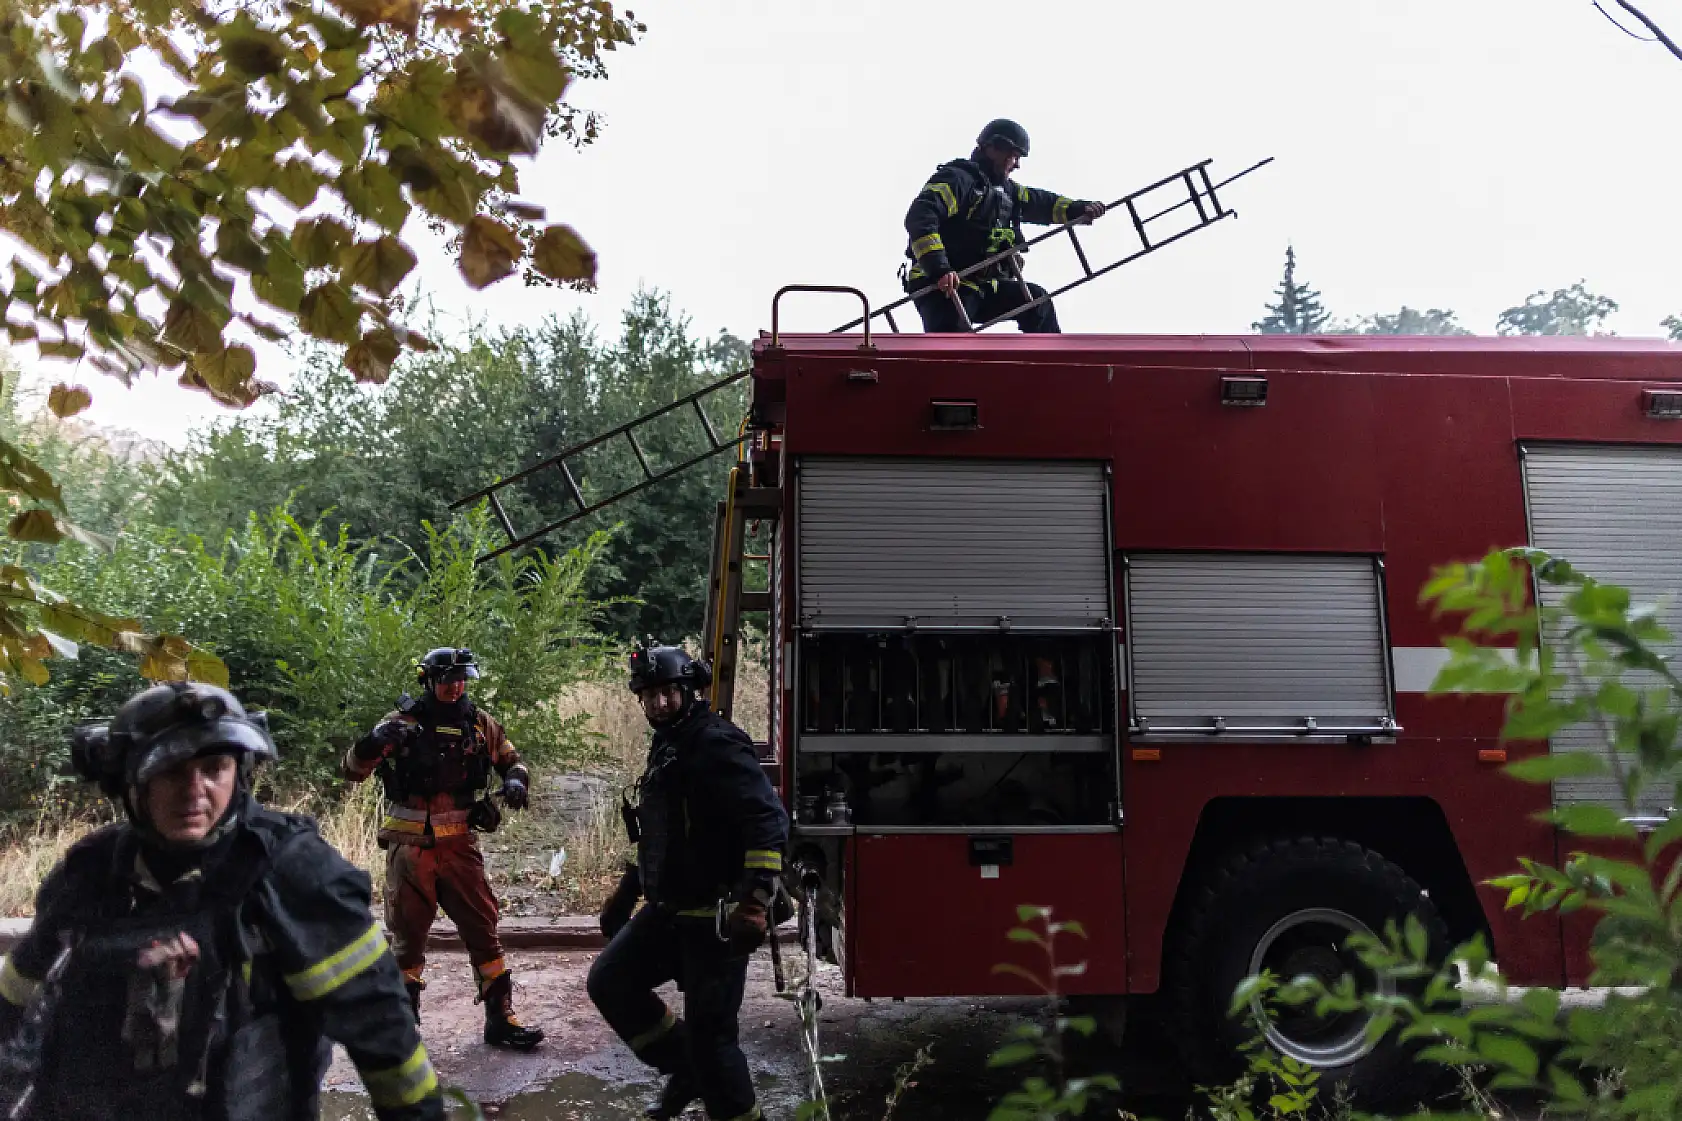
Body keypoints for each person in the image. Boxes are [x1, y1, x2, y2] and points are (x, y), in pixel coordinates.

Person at [0, 681, 443, 1121]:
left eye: (214, 768)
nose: (195, 791)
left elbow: (383, 1034)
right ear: (131, 782)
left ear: (241, 772)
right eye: (171, 771)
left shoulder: (295, 876)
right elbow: (16, 1005)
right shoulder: (90, 874)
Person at [587, 641, 790, 1121]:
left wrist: (756, 903)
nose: (658, 704)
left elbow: (769, 824)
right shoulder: (670, 743)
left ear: (689, 691)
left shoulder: (715, 743)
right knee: (611, 981)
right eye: (650, 696)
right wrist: (629, 888)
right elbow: (667, 833)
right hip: (669, 912)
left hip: (716, 923)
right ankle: (687, 1070)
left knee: (714, 1043)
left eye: (668, 694)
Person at [343, 647, 544, 1050]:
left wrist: (517, 782)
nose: (456, 688)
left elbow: (513, 761)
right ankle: (401, 1029)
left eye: (461, 680)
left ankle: (500, 1018)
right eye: (448, 681)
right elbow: (352, 770)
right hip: (411, 846)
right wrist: (372, 741)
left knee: (484, 931)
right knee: (408, 939)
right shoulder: (399, 724)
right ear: (429, 682)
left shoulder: (480, 724)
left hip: (460, 848)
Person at [903, 118, 1107, 333]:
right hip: (942, 287)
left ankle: (1051, 364)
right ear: (993, 148)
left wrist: (1078, 209)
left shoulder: (1007, 192)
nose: (1017, 164)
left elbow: (1042, 203)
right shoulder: (958, 180)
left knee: (1037, 302)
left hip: (982, 285)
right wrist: (939, 269)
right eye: (1014, 156)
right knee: (953, 338)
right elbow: (921, 216)